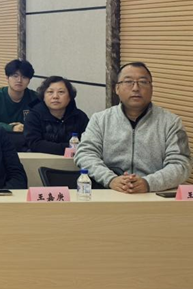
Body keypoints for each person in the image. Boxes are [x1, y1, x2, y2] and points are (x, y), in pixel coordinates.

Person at [75, 62, 191, 193]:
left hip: (154, 194)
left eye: (143, 82)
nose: (136, 88)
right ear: (117, 88)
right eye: (128, 82)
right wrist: (111, 179)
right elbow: (85, 154)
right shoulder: (100, 120)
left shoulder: (170, 122)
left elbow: (181, 164)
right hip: (109, 192)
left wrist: (148, 183)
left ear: (151, 88)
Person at [23, 76, 90, 156]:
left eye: (61, 92)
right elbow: (35, 143)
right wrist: (68, 148)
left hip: (74, 161)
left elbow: (88, 144)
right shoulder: (33, 116)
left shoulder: (80, 117)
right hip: (41, 160)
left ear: (70, 97)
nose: (55, 96)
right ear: (43, 97)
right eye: (50, 92)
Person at [0, 59, 38, 133]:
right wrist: (11, 128)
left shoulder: (34, 98)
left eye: (24, 77)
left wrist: (26, 127)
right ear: (7, 77)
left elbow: (42, 121)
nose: (19, 80)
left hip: (27, 137)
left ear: (29, 80)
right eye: (15, 76)